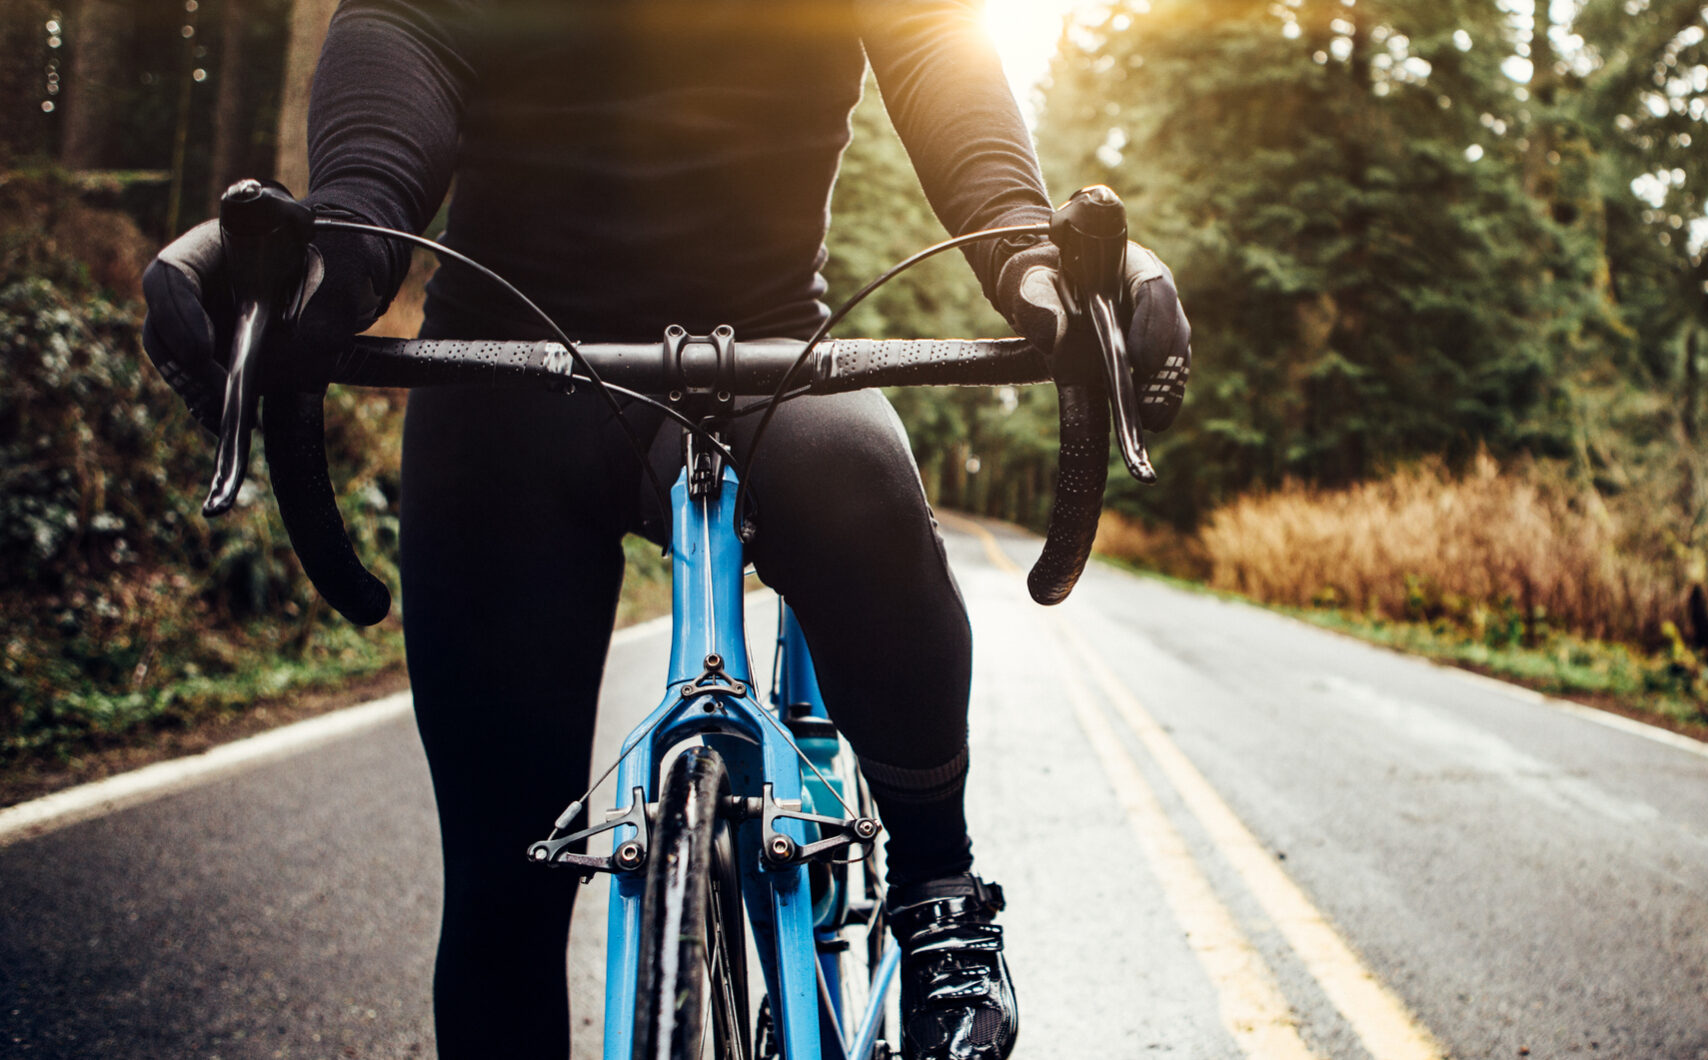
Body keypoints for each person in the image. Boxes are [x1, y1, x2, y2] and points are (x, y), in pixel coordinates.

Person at [139, 0, 1191, 1057]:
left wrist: (1023, 249)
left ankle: (938, 895)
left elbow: (926, 42)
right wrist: (335, 257)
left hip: (767, 357)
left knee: (860, 479)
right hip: (507, 372)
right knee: (502, 896)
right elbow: (401, 36)